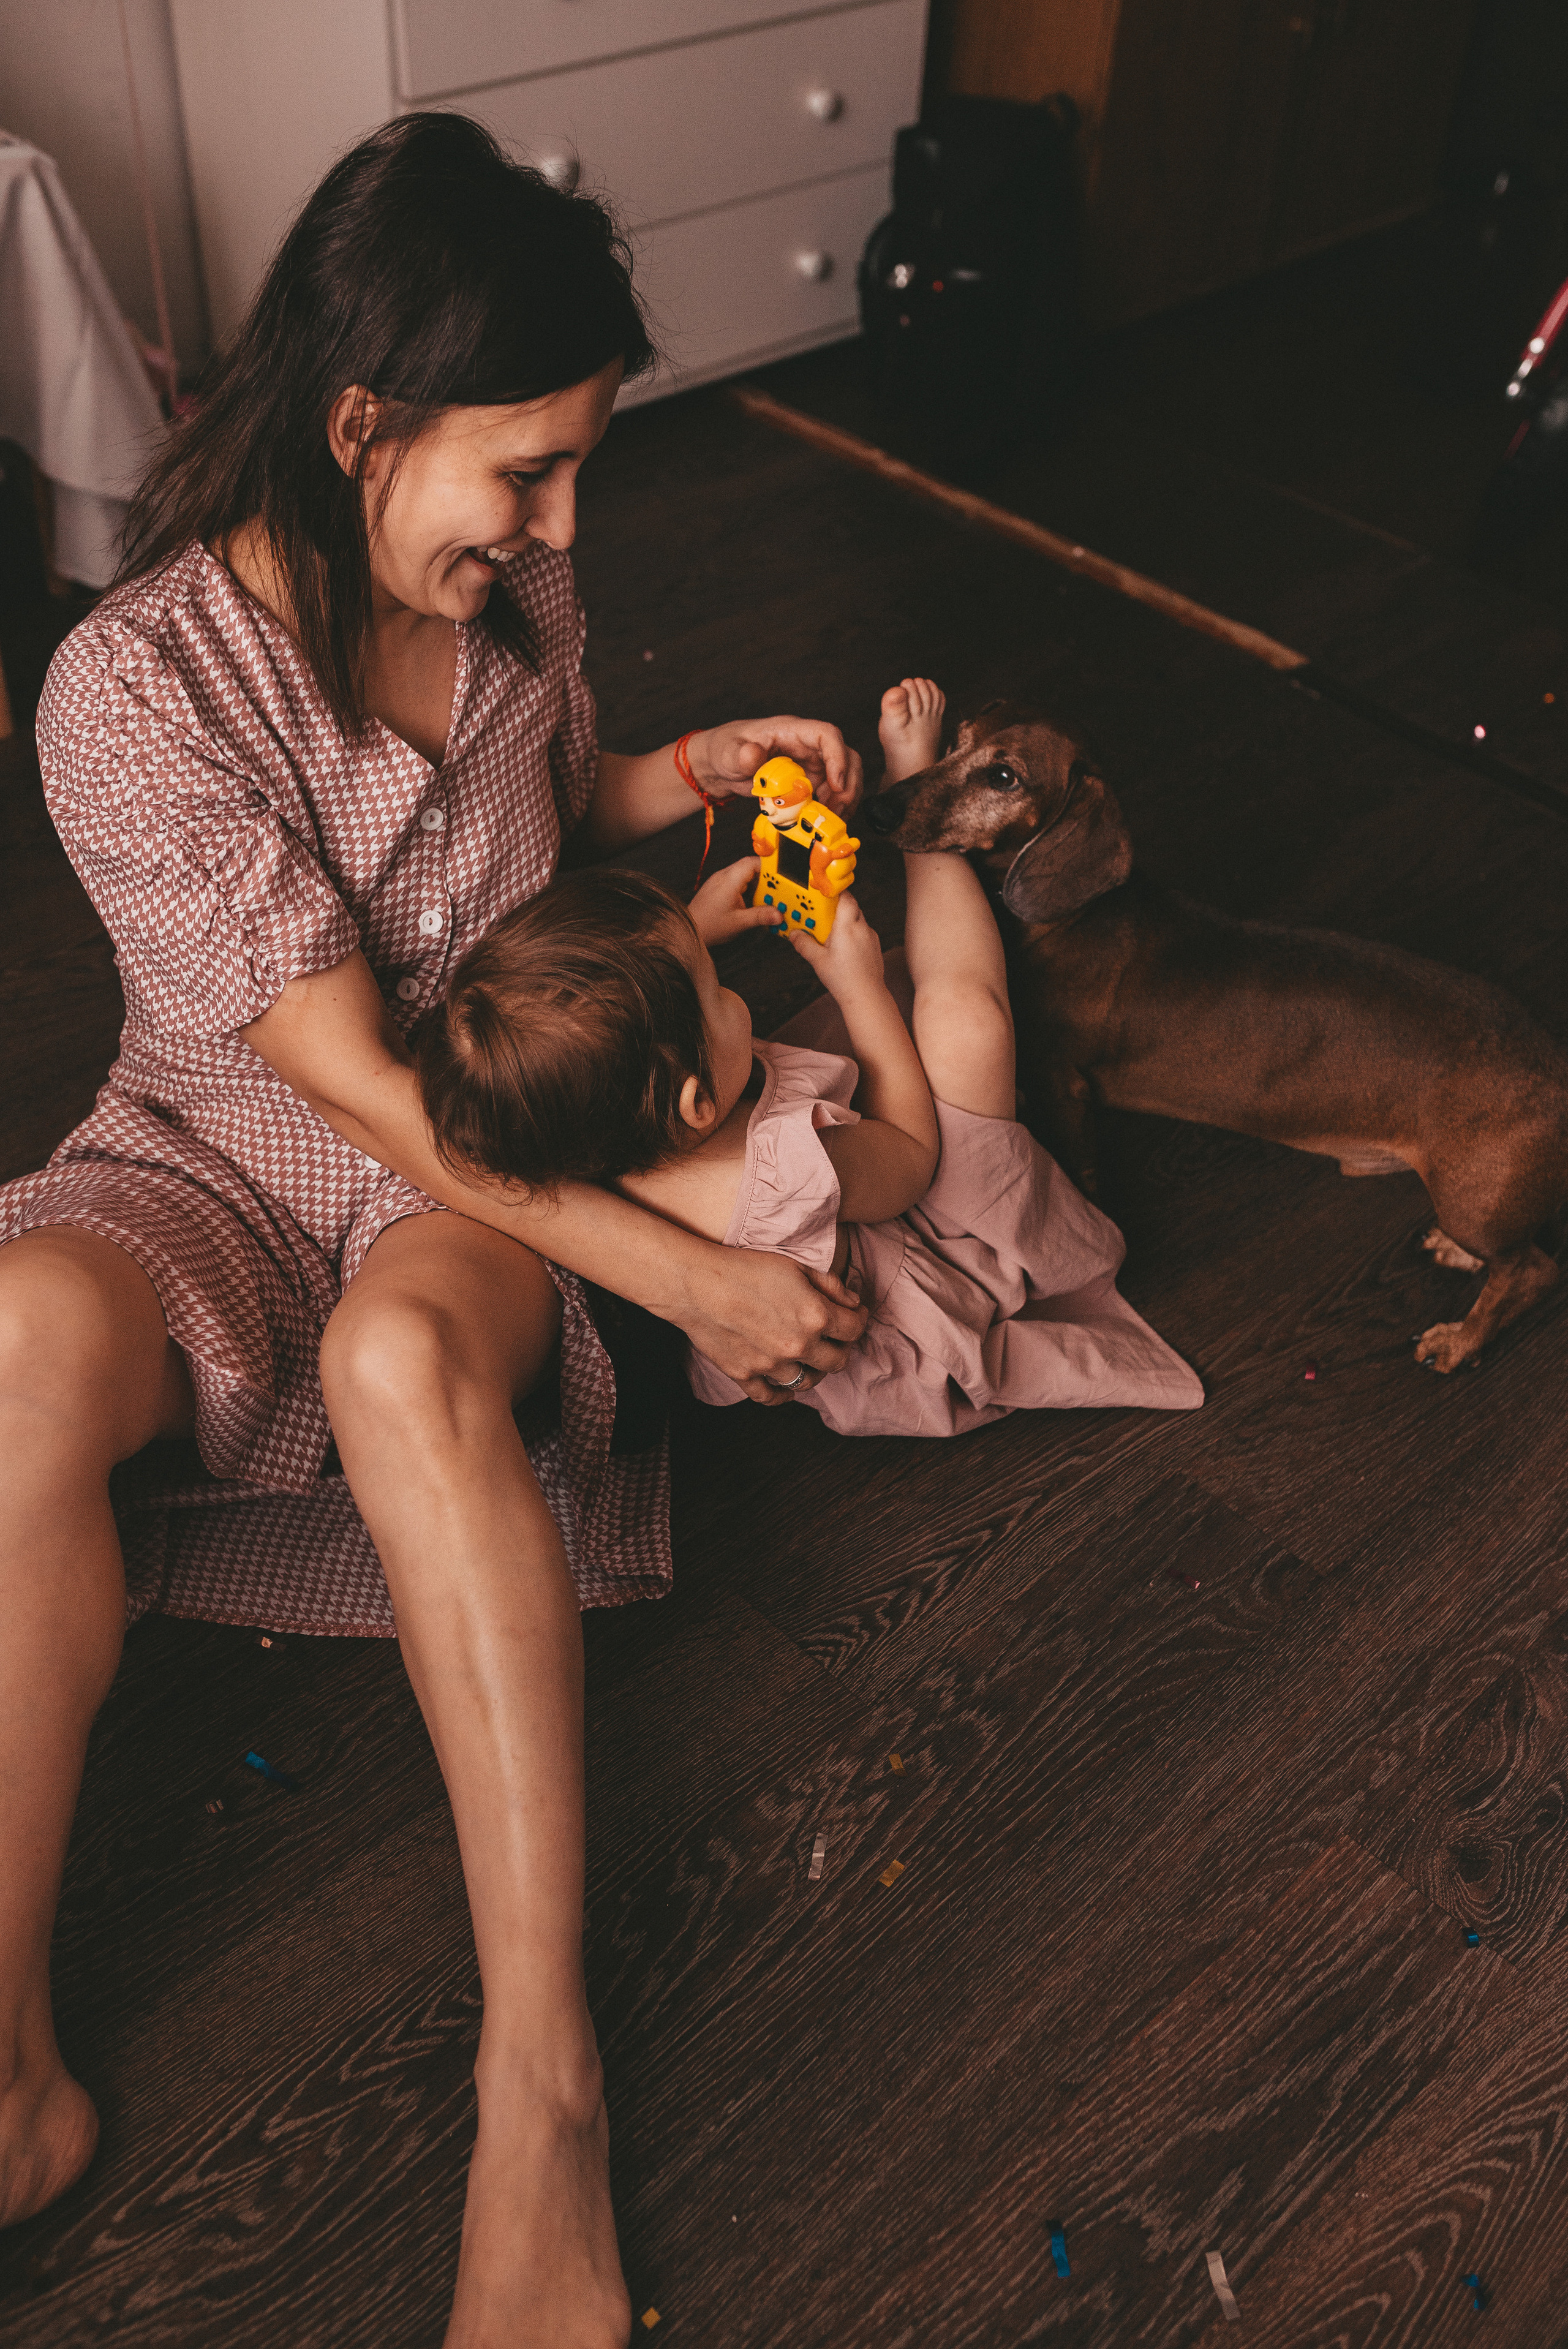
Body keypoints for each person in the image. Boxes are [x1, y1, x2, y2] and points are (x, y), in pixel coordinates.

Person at [0, 113, 872, 2349]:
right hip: (223, 1145)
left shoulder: (517, 593)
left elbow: (531, 816)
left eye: (582, 471)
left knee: (401, 1362)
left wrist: (680, 771)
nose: (566, 524)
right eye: (530, 472)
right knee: (14, 1350)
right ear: (361, 421)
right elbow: (335, 1065)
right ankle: (1, 2067)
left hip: (458, 1176)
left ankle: (542, 2085)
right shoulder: (125, 689)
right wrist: (678, 1268)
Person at [417, 679, 1204, 1435]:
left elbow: (606, 1019)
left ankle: (904, 873)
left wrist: (689, 934)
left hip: (822, 1190)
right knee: (960, 1009)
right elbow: (909, 1161)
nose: (730, 989)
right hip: (924, 1262)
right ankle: (916, 795)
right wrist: (854, 988)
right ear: (696, 1102)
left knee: (901, 984)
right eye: (711, 988)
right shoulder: (785, 1168)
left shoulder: (572, 1116)